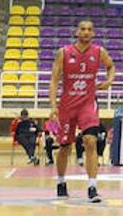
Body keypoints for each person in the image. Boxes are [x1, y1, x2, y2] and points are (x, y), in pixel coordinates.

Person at [49, 20, 114, 202]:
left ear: (93, 33)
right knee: (65, 147)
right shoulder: (64, 52)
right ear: (77, 32)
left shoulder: (99, 52)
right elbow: (54, 80)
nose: (86, 32)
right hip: (67, 105)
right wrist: (53, 106)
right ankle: (61, 181)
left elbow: (111, 66)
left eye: (89, 30)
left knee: (90, 141)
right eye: (83, 29)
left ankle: (92, 187)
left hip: (88, 103)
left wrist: (110, 80)